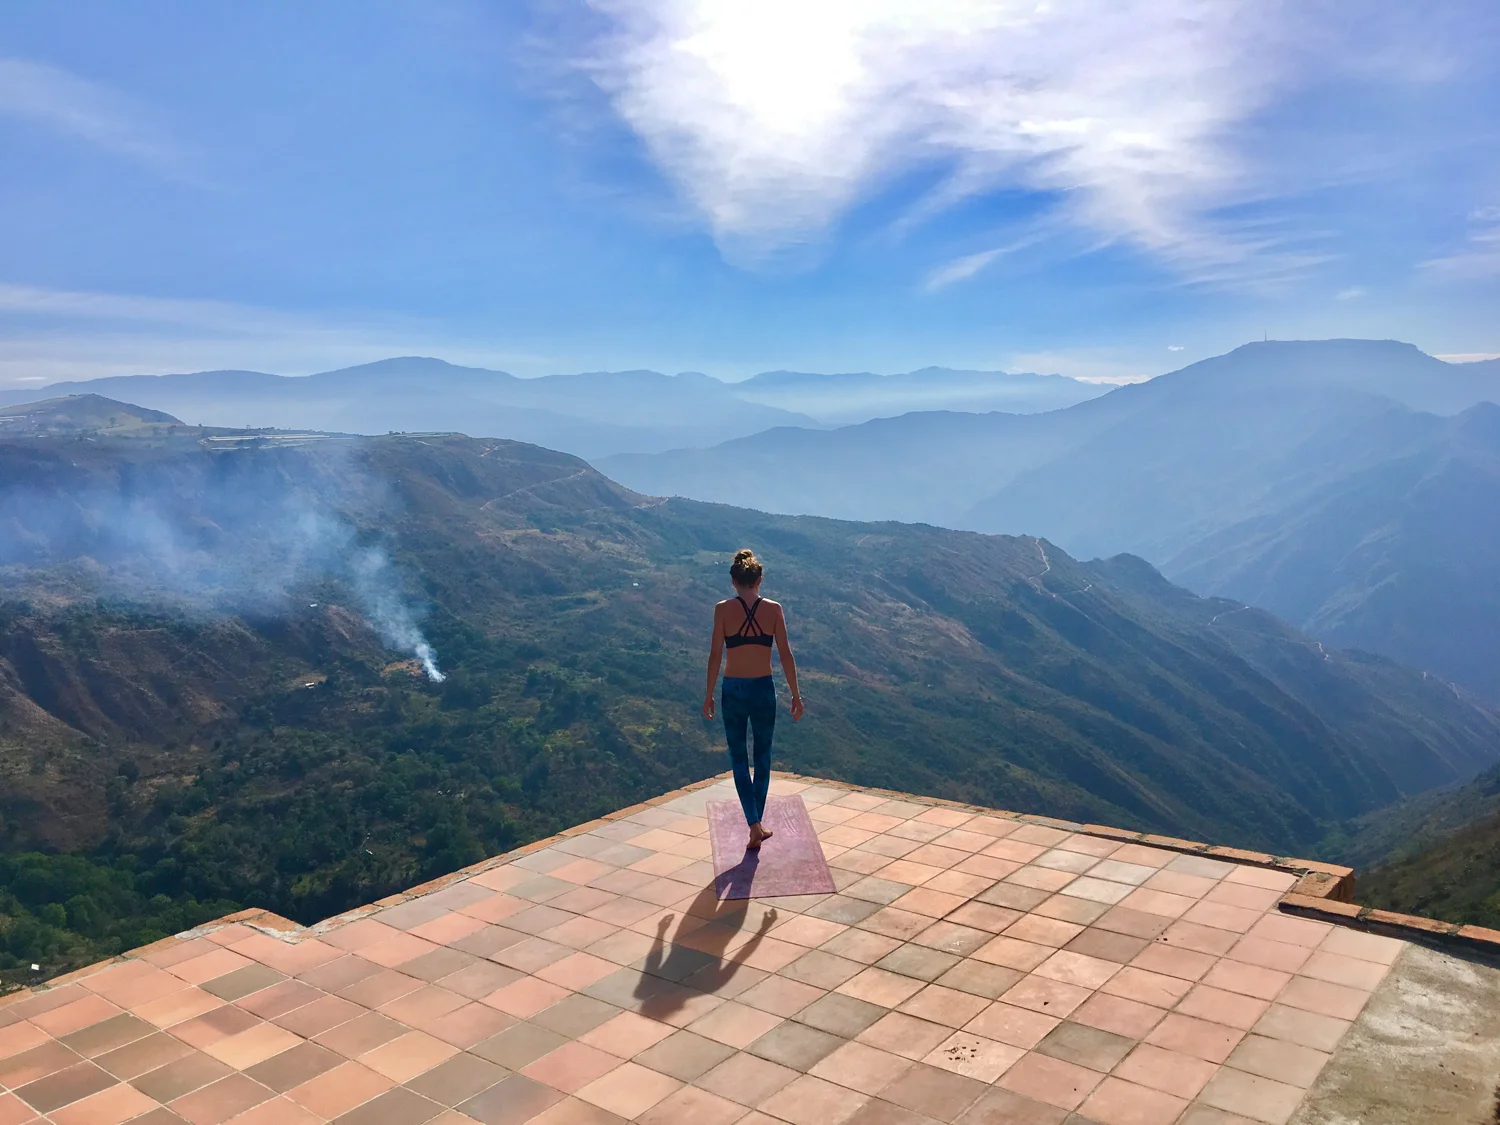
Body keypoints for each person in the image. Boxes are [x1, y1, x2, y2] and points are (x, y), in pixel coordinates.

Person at [702, 548, 804, 849]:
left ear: (734, 581)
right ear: (759, 579)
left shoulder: (722, 610)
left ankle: (754, 823)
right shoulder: (773, 609)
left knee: (737, 757)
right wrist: (796, 694)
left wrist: (707, 694)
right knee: (762, 756)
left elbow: (715, 656)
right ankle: (756, 823)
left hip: (732, 689)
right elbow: (785, 654)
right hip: (763, 688)